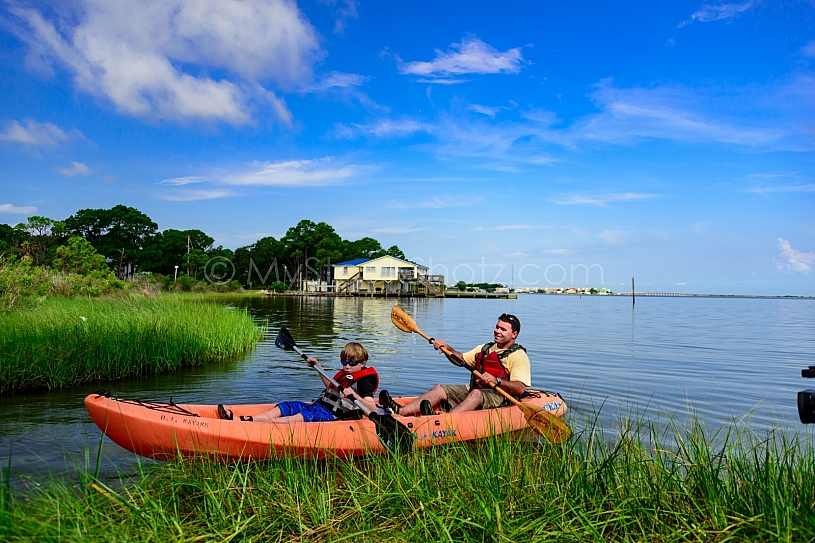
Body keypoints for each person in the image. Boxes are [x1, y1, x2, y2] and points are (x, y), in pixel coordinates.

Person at [386, 313, 530, 416]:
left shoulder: (518, 356)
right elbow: (461, 359)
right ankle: (400, 412)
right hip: (477, 390)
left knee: (476, 393)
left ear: (514, 334)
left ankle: (446, 421)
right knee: (440, 388)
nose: (497, 331)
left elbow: (519, 388)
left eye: (503, 329)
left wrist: (497, 381)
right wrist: (447, 348)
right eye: (497, 327)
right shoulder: (485, 348)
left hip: (501, 397)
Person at [217, 342, 379, 423]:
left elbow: (371, 407)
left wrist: (354, 395)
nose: (346, 366)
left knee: (302, 416)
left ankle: (250, 426)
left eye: (351, 363)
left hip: (334, 415)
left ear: (362, 363)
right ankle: (248, 420)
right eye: (344, 362)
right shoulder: (344, 374)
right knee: (286, 406)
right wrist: (318, 367)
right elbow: (330, 388)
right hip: (320, 407)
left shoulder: (364, 382)